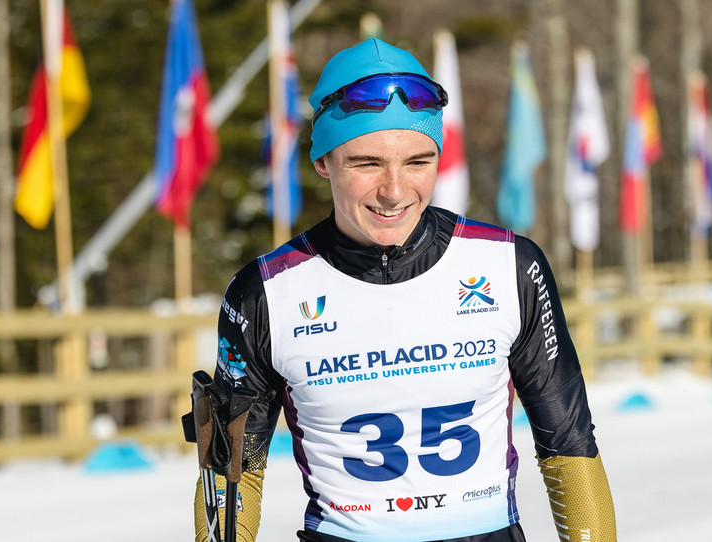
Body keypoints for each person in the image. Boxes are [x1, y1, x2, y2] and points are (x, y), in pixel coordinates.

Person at [194, 37, 616, 542]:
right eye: (367, 163)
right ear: (323, 162)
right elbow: (232, 473)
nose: (395, 191)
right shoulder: (264, 293)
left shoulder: (508, 265)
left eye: (418, 162)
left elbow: (568, 445)